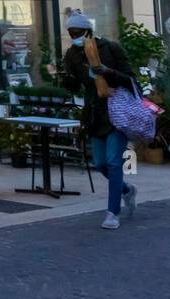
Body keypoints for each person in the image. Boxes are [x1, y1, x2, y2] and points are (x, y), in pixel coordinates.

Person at [47, 13, 137, 229]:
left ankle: (111, 213)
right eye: (70, 33)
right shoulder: (73, 54)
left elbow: (131, 79)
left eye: (77, 33)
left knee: (115, 163)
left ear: (88, 31)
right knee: (101, 163)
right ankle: (126, 189)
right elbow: (74, 86)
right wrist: (62, 77)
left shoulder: (111, 48)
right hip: (95, 114)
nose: (73, 37)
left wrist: (107, 72)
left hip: (117, 111)